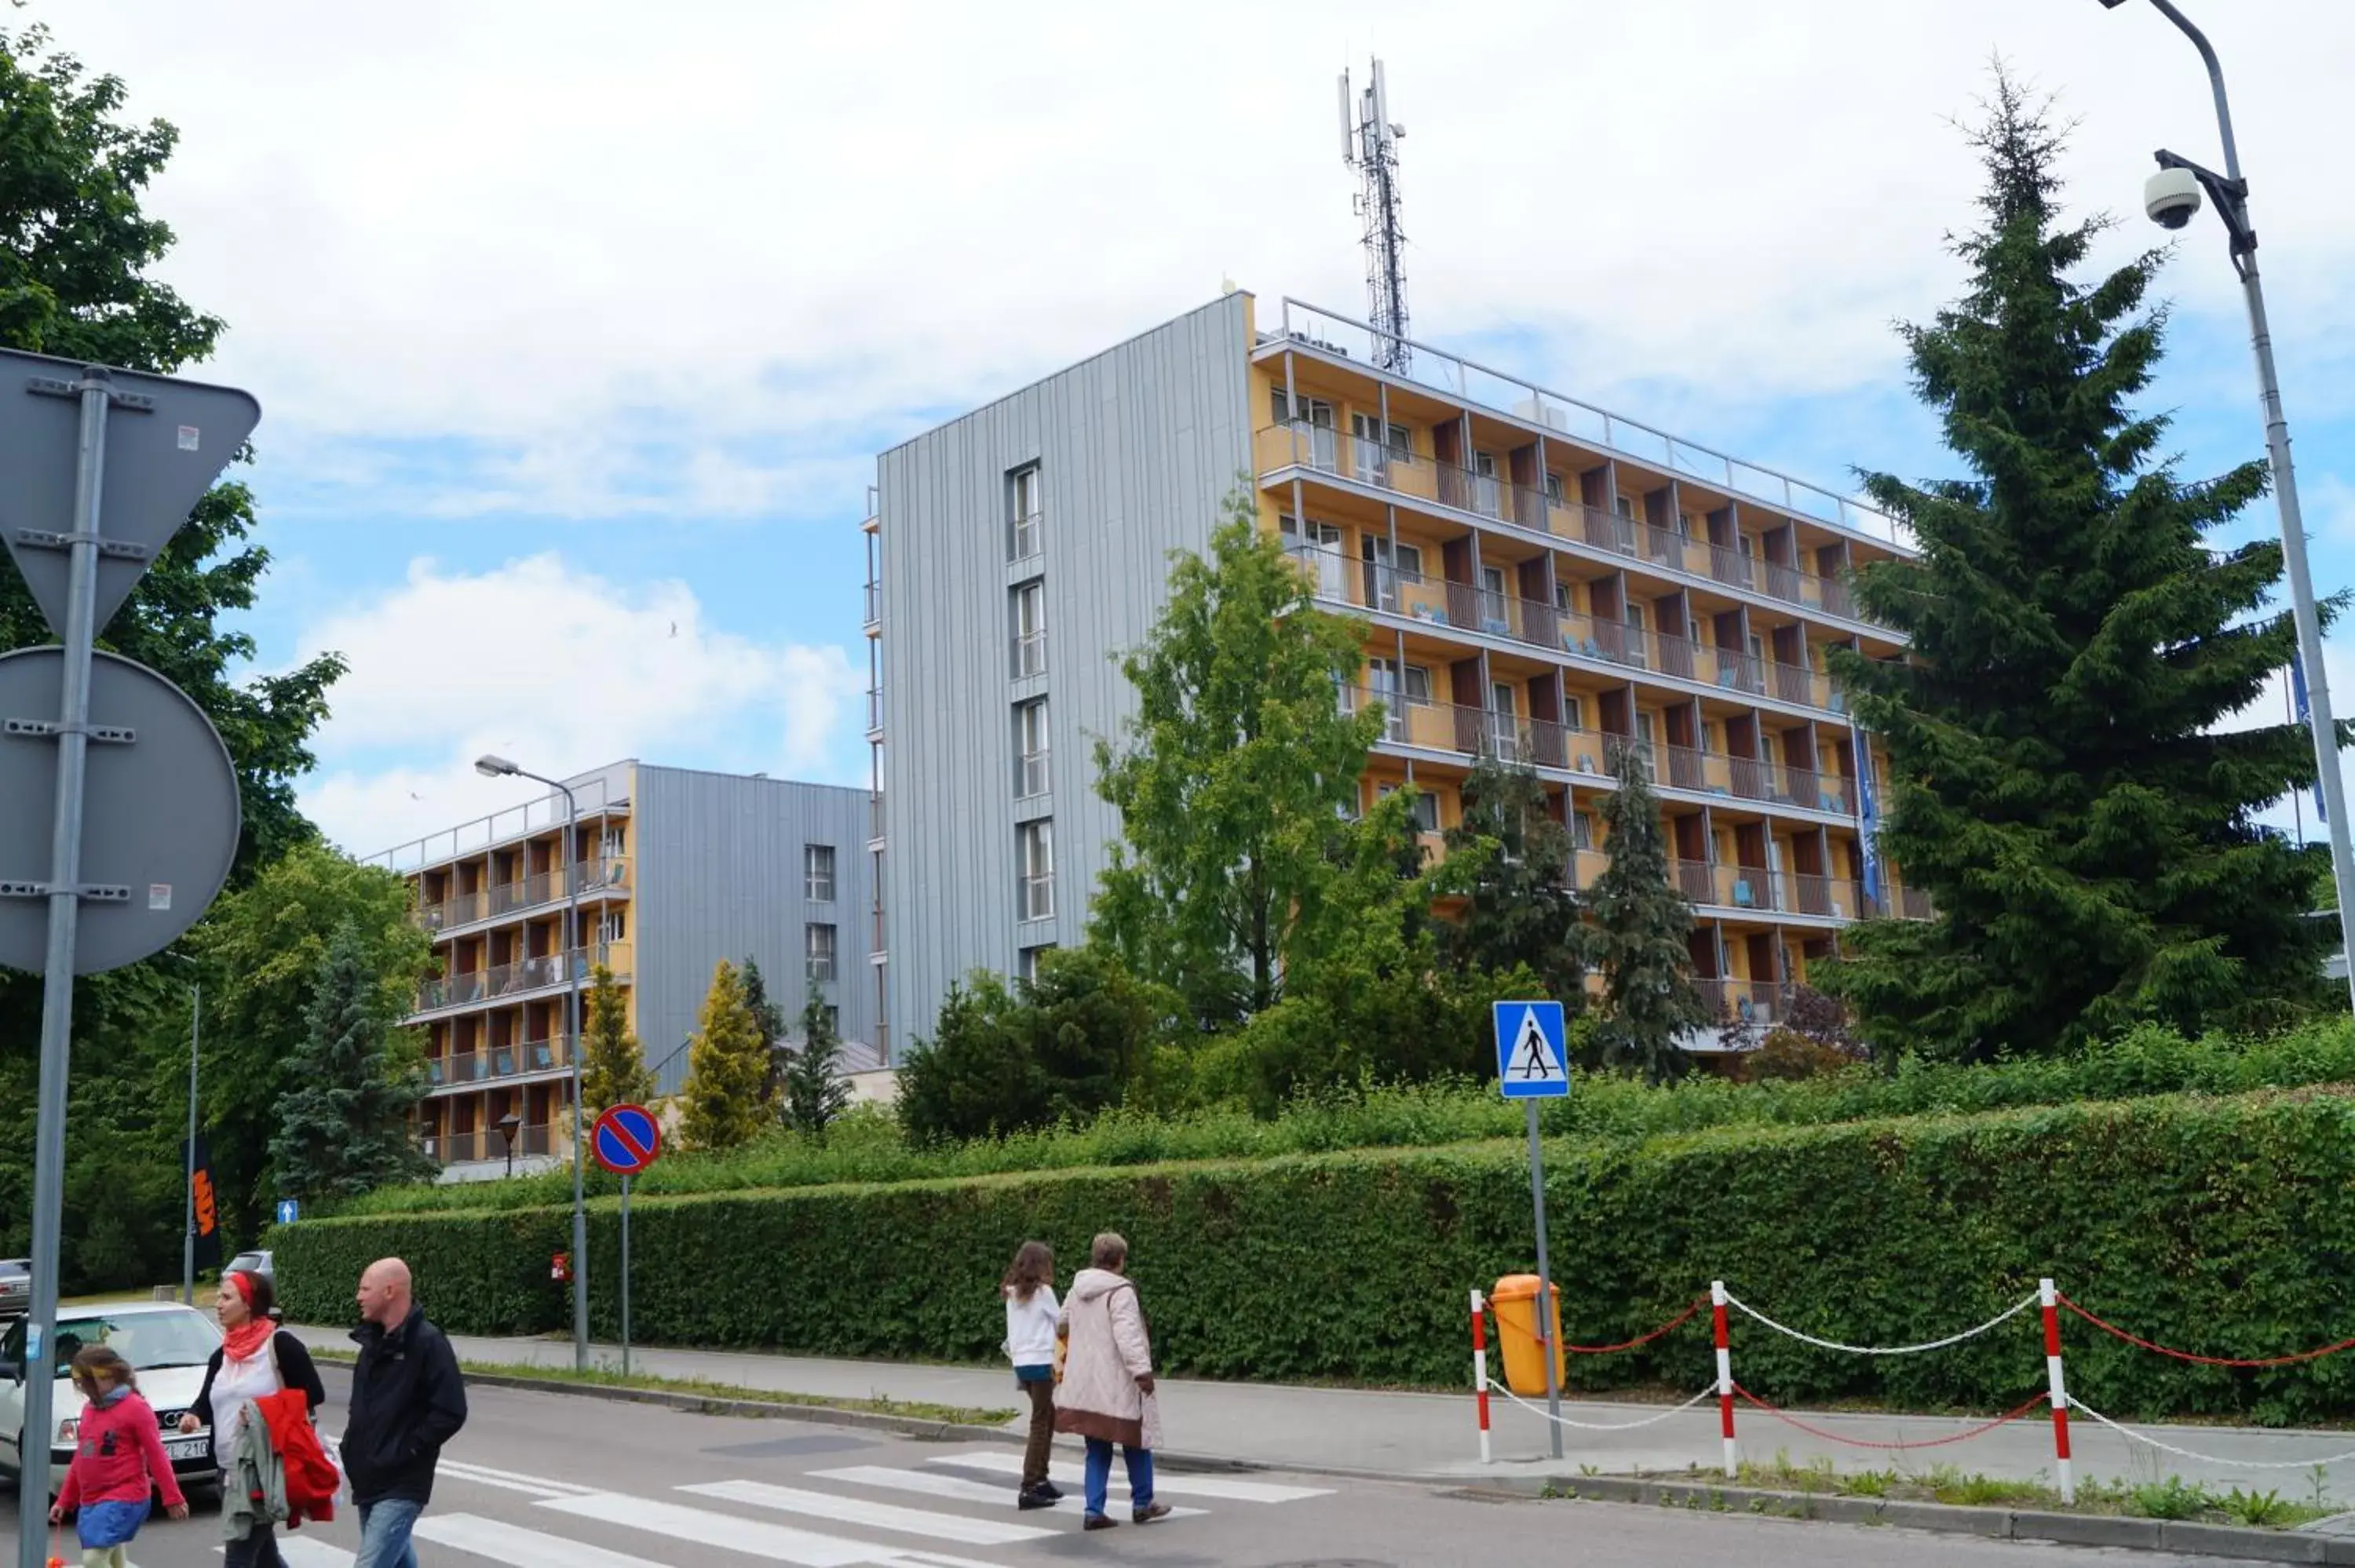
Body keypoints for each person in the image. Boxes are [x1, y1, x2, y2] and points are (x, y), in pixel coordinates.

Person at [181, 1267, 326, 1568]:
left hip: (263, 1467)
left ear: (248, 1303)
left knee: (239, 1556)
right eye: (218, 1297)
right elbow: (207, 1400)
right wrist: (194, 1416)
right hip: (227, 1469)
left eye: (226, 1297)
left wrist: (264, 1410)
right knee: (264, 1558)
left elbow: (314, 1394)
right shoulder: (222, 1355)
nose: (218, 1304)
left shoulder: (280, 1345)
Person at [342, 1257, 468, 1568]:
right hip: (368, 1477)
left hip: (402, 1484)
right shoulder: (372, 1343)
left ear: (389, 1291)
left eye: (365, 1289)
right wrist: (351, 1447)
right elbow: (360, 1407)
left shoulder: (428, 1343)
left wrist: (407, 1449)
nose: (358, 1296)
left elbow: (451, 1411)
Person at [1053, 1232, 1170, 1531]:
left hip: (1084, 1381)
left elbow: (1061, 1322)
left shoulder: (1078, 1289)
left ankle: (1093, 1510)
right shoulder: (1121, 1291)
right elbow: (1128, 1337)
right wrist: (1142, 1373)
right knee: (1136, 1439)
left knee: (1096, 1446)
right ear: (1120, 1259)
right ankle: (1143, 1503)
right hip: (1116, 1380)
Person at [49, 1344, 189, 1568]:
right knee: (115, 1559)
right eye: (79, 1383)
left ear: (110, 1375)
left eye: (87, 1382)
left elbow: (156, 1455)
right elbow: (81, 1459)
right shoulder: (89, 1410)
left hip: (125, 1496)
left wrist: (173, 1498)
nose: (84, 1389)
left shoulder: (135, 1408)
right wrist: (65, 1500)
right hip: (92, 1499)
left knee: (94, 1559)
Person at [1000, 1241, 1063, 1510]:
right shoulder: (1044, 1293)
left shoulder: (1012, 1293)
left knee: (1048, 1415)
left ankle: (1041, 1478)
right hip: (1041, 1362)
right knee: (1040, 1421)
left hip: (1022, 1363)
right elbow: (1061, 1322)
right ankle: (1029, 1485)